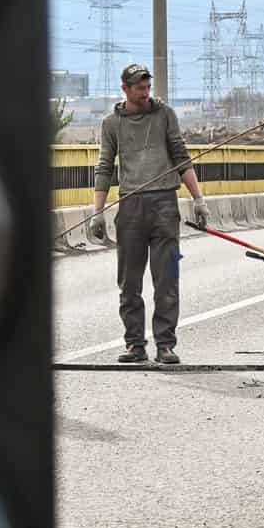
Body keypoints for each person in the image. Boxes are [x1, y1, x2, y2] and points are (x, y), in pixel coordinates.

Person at [87, 63, 209, 366]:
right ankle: (135, 345)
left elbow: (181, 156)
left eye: (147, 87)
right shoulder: (111, 123)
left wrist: (198, 199)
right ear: (125, 89)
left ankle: (165, 345)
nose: (145, 93)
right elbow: (104, 168)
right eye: (139, 88)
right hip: (130, 208)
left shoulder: (165, 115)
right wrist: (97, 213)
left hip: (164, 205)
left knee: (166, 279)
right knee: (129, 283)